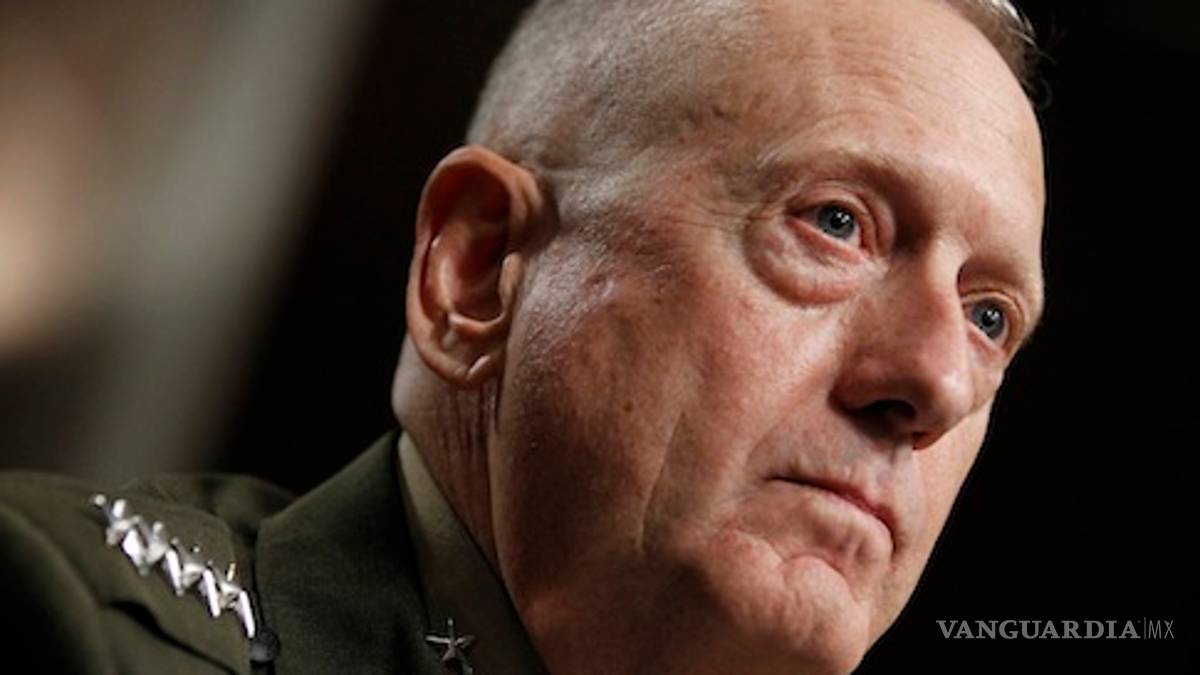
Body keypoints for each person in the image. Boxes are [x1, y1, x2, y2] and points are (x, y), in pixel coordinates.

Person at [0, 0, 1046, 673]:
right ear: (476, 269)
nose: (938, 380)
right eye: (836, 224)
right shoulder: (53, 622)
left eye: (989, 316)